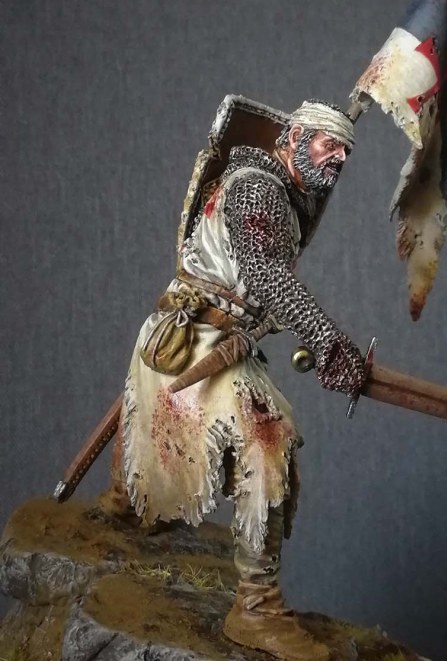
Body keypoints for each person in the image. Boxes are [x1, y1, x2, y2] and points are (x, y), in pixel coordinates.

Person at [103, 100, 365, 660]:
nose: (339, 158)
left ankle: (127, 502)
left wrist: (275, 327)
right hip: (192, 340)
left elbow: (264, 286)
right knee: (268, 439)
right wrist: (326, 339)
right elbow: (266, 276)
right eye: (329, 144)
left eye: (346, 151)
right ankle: (256, 607)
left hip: (205, 337)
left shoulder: (282, 195)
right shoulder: (257, 188)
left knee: (153, 416)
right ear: (293, 137)